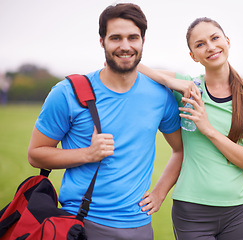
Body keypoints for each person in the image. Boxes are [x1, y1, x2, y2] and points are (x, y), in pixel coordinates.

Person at [27, 3, 183, 240]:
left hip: (139, 226)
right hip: (81, 223)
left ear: (143, 41)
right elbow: (35, 154)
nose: (125, 46)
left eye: (133, 37)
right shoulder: (67, 93)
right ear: (102, 41)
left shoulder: (160, 95)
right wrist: (88, 154)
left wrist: (160, 193)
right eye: (116, 38)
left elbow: (180, 149)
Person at [138, 17, 243, 240]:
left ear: (227, 41)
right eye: (200, 44)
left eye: (215, 38)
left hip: (237, 212)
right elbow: (132, 67)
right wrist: (173, 83)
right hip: (192, 213)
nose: (210, 47)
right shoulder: (189, 88)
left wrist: (207, 128)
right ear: (193, 55)